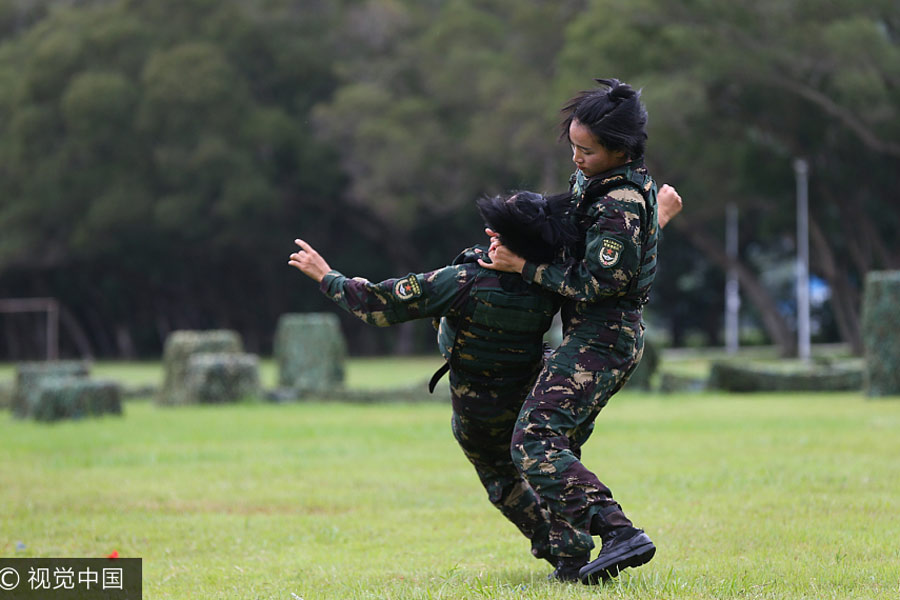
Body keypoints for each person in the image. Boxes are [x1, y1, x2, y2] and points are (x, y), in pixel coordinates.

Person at [479, 78, 664, 584]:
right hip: (588, 336)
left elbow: (601, 282)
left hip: (604, 338)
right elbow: (573, 234)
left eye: (587, 151)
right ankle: (572, 559)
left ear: (620, 151)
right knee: (561, 444)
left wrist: (523, 268)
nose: (577, 160)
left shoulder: (621, 201)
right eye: (574, 148)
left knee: (533, 439)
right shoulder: (601, 183)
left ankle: (619, 530)